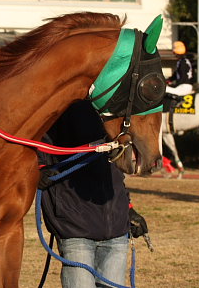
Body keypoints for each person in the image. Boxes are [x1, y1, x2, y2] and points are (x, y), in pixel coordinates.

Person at [38, 101, 149, 287]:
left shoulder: (112, 109)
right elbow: (36, 144)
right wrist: (38, 170)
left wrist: (128, 209)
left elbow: (115, 174)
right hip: (75, 229)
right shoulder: (60, 105)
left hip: (116, 230)